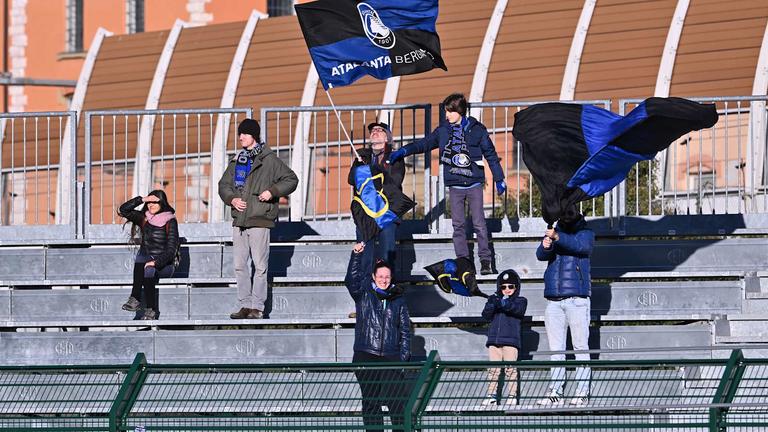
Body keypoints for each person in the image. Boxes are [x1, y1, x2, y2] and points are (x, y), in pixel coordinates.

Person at [387, 93, 505, 275]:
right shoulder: (443, 130)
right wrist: (404, 150)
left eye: (450, 112)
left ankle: (485, 260)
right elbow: (424, 143)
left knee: (479, 223)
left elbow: (490, 154)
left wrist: (499, 178)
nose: (447, 115)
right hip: (455, 185)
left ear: (459, 111)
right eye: (445, 112)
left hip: (473, 184)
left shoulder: (477, 129)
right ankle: (464, 262)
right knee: (458, 225)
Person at [218, 118, 298, 319]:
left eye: (244, 133)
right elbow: (223, 185)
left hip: (260, 219)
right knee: (239, 265)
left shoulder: (269, 159)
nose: (240, 137)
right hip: (240, 221)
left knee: (260, 266)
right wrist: (232, 199)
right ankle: (245, 304)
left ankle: (257, 307)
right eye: (240, 133)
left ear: (253, 135)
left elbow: (291, 179)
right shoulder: (238, 159)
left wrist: (272, 192)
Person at [346, 241, 411, 432]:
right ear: (374, 277)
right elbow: (352, 280)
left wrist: (403, 357)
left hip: (391, 355)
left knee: (397, 402)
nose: (384, 279)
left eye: (387, 276)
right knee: (371, 401)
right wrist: (356, 256)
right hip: (366, 353)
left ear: (391, 278)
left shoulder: (398, 299)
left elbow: (406, 331)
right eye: (380, 276)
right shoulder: (363, 295)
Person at [535, 206, 594, 406]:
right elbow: (541, 255)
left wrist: (557, 237)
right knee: (556, 350)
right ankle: (555, 392)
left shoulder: (586, 232)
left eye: (570, 212)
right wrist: (546, 244)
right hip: (553, 300)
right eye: (564, 213)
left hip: (577, 299)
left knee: (580, 347)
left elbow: (580, 247)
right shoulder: (554, 230)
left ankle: (582, 392)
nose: (567, 216)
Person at [349, 121, 406, 268]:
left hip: (386, 212)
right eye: (372, 130)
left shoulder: (395, 157)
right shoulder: (361, 156)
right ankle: (366, 288)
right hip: (366, 214)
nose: (374, 132)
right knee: (365, 257)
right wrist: (359, 168)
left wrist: (371, 171)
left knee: (387, 256)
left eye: (379, 130)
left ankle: (386, 286)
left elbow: (395, 181)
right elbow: (351, 180)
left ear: (387, 137)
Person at [118, 190, 180, 320]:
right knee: (143, 260)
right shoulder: (145, 218)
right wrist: (142, 199)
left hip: (166, 265)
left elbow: (171, 250)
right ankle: (136, 300)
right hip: (145, 262)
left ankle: (149, 308)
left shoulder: (170, 220)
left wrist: (156, 262)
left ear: (162, 203)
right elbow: (123, 210)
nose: (151, 205)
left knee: (148, 267)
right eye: (149, 202)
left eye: (155, 202)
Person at [481, 269, 527, 407]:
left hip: (510, 342)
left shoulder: (521, 301)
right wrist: (491, 304)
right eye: (503, 287)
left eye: (510, 286)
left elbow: (516, 309)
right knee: (493, 370)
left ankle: (512, 396)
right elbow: (486, 315)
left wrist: (502, 303)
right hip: (494, 341)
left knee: (510, 369)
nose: (507, 289)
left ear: (516, 287)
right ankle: (492, 395)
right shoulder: (495, 300)